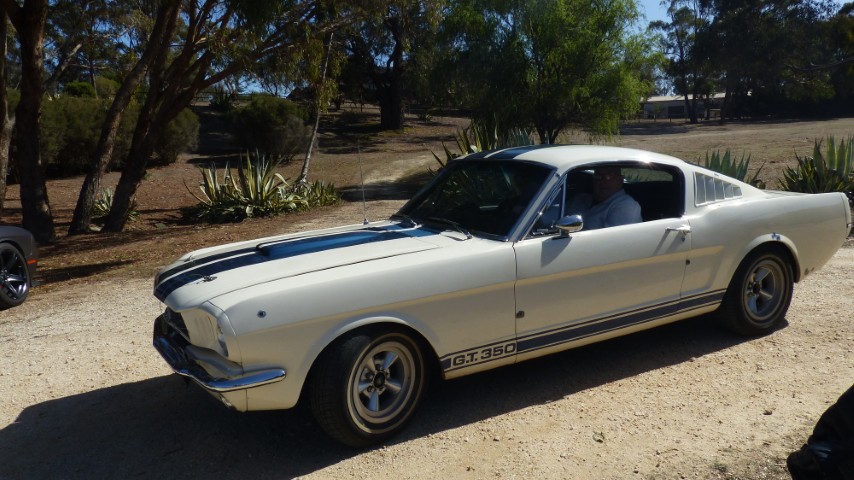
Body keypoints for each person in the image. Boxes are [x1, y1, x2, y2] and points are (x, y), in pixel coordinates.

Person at [568, 166, 642, 230]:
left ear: (620, 180)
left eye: (609, 176)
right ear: (593, 179)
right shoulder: (580, 198)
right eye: (598, 176)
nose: (603, 181)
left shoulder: (627, 206)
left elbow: (614, 240)